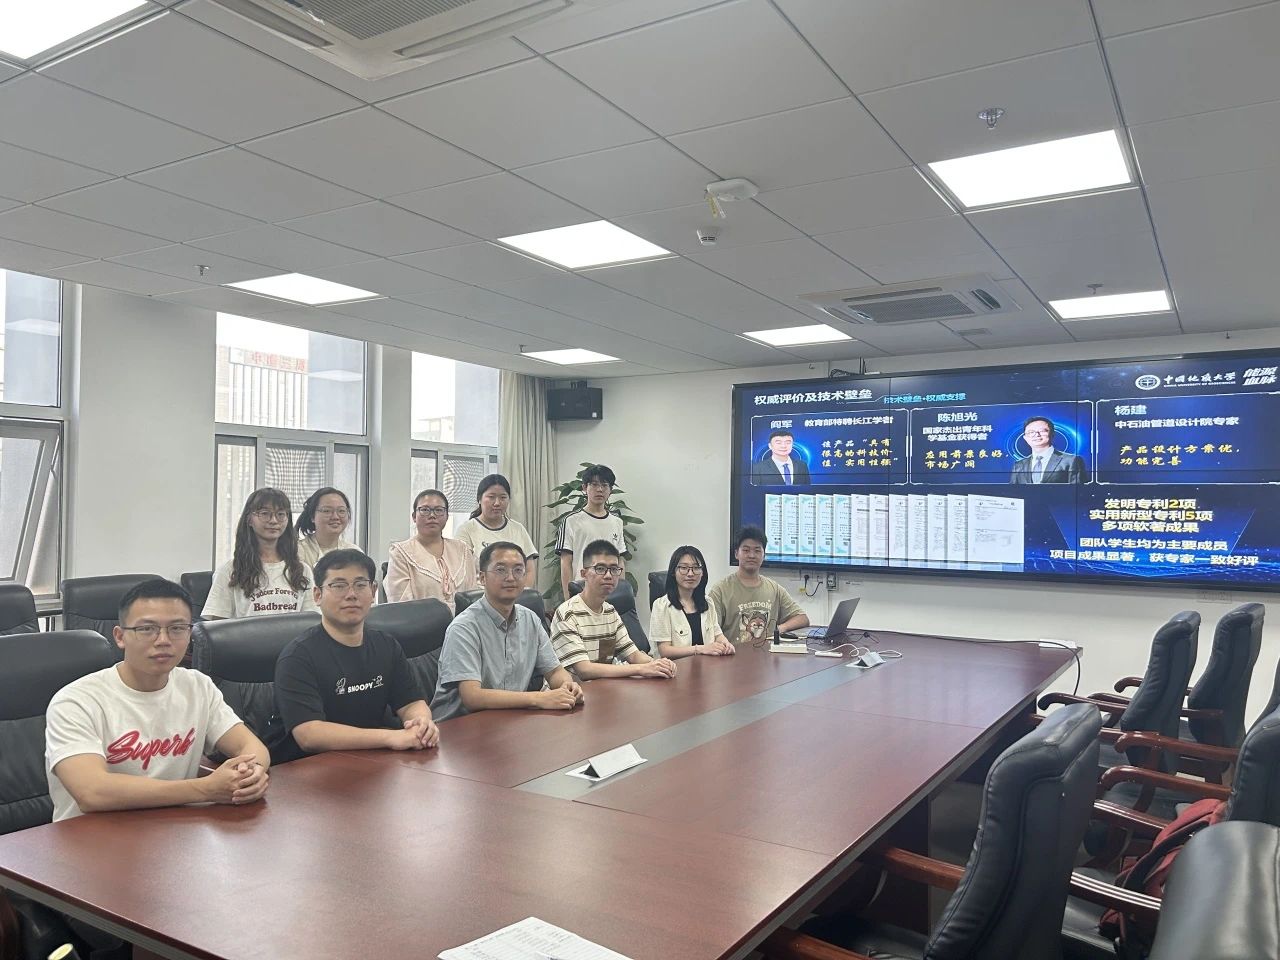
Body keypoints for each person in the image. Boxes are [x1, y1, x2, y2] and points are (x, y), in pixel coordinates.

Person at [45, 578, 270, 821]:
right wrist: (206, 789)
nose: (163, 640)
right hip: (90, 836)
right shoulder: (75, 701)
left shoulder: (197, 686)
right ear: (120, 636)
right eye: (147, 629)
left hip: (172, 829)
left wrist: (250, 773)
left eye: (177, 628)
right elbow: (92, 792)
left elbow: (251, 747)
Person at [273, 549, 438, 759]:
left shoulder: (386, 645)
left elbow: (411, 702)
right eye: (339, 586)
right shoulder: (297, 657)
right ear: (317, 595)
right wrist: (390, 737)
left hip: (372, 759)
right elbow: (309, 735)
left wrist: (421, 723)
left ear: (373, 591)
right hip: (307, 766)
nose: (351, 594)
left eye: (360, 585)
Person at [432, 542, 584, 722]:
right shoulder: (463, 628)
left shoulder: (530, 619)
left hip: (508, 720)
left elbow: (554, 671)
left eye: (518, 570)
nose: (511, 577)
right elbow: (472, 697)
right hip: (459, 727)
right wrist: (539, 698)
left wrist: (568, 686)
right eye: (501, 570)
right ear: (482, 577)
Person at [550, 540, 677, 681]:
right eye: (600, 568)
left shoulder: (610, 612)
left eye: (614, 569)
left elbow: (633, 655)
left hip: (603, 689)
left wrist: (658, 664)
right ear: (584, 574)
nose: (608, 575)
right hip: (570, 692)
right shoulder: (567, 613)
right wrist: (641, 669)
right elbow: (584, 670)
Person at [203, 487, 318, 619]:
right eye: (265, 513)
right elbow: (218, 626)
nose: (273, 520)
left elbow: (311, 620)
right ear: (249, 519)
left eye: (280, 514)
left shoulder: (302, 570)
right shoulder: (230, 571)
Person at [709, 526, 809, 644]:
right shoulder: (720, 590)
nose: (752, 555)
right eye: (746, 550)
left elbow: (802, 618)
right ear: (736, 554)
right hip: (733, 654)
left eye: (757, 551)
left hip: (768, 654)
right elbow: (710, 631)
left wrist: (779, 629)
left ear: (764, 555)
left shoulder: (774, 589)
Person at [386, 489, 479, 611]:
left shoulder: (462, 549)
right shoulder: (400, 552)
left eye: (439, 510)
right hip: (419, 621)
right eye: (425, 510)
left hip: (464, 621)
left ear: (447, 516)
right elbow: (401, 605)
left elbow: (472, 596)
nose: (432, 515)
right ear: (414, 517)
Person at [453, 474, 539, 589]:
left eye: (503, 497)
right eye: (491, 497)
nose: (497, 503)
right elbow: (462, 573)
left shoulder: (518, 529)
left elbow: (529, 569)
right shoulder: (466, 530)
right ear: (479, 499)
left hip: (515, 594)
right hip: (479, 595)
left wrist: (522, 594)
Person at [650, 545, 735, 659]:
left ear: (702, 572)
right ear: (673, 572)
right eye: (684, 568)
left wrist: (726, 644)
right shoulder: (661, 606)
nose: (690, 573)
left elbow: (717, 634)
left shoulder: (708, 602)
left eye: (696, 568)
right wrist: (699, 649)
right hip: (675, 667)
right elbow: (664, 651)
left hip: (708, 666)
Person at [555, 463, 627, 599]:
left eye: (604, 485)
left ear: (610, 490)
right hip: (581, 590)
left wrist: (621, 593)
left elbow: (620, 561)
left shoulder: (617, 522)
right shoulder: (571, 521)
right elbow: (565, 562)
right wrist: (568, 599)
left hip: (610, 591)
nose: (599, 489)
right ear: (584, 488)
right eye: (594, 485)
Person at [296, 487, 361, 568]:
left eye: (341, 511)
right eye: (327, 511)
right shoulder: (298, 551)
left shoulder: (354, 552)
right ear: (312, 516)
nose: (335, 517)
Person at [1009, 416, 1086, 484]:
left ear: (1052, 434)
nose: (1037, 435)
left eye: (1042, 431)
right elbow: (1012, 492)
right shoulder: (1019, 465)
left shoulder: (1071, 461)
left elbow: (1078, 492)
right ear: (1025, 438)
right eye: (1031, 432)